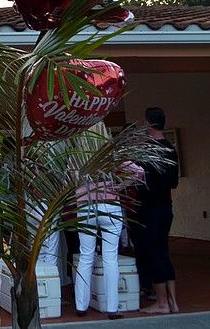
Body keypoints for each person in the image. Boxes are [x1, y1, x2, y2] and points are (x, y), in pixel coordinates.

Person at [72, 123, 143, 319]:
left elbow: (67, 181)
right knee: (110, 257)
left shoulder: (76, 156)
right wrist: (120, 186)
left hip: (85, 207)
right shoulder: (110, 154)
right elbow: (138, 172)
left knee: (86, 257)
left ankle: (81, 306)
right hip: (109, 205)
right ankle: (112, 308)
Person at [138, 107, 180, 315]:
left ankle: (161, 302)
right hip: (166, 206)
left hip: (150, 209)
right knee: (164, 251)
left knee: (153, 253)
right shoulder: (171, 149)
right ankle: (173, 301)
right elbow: (174, 183)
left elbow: (140, 180)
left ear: (148, 124)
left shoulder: (148, 151)